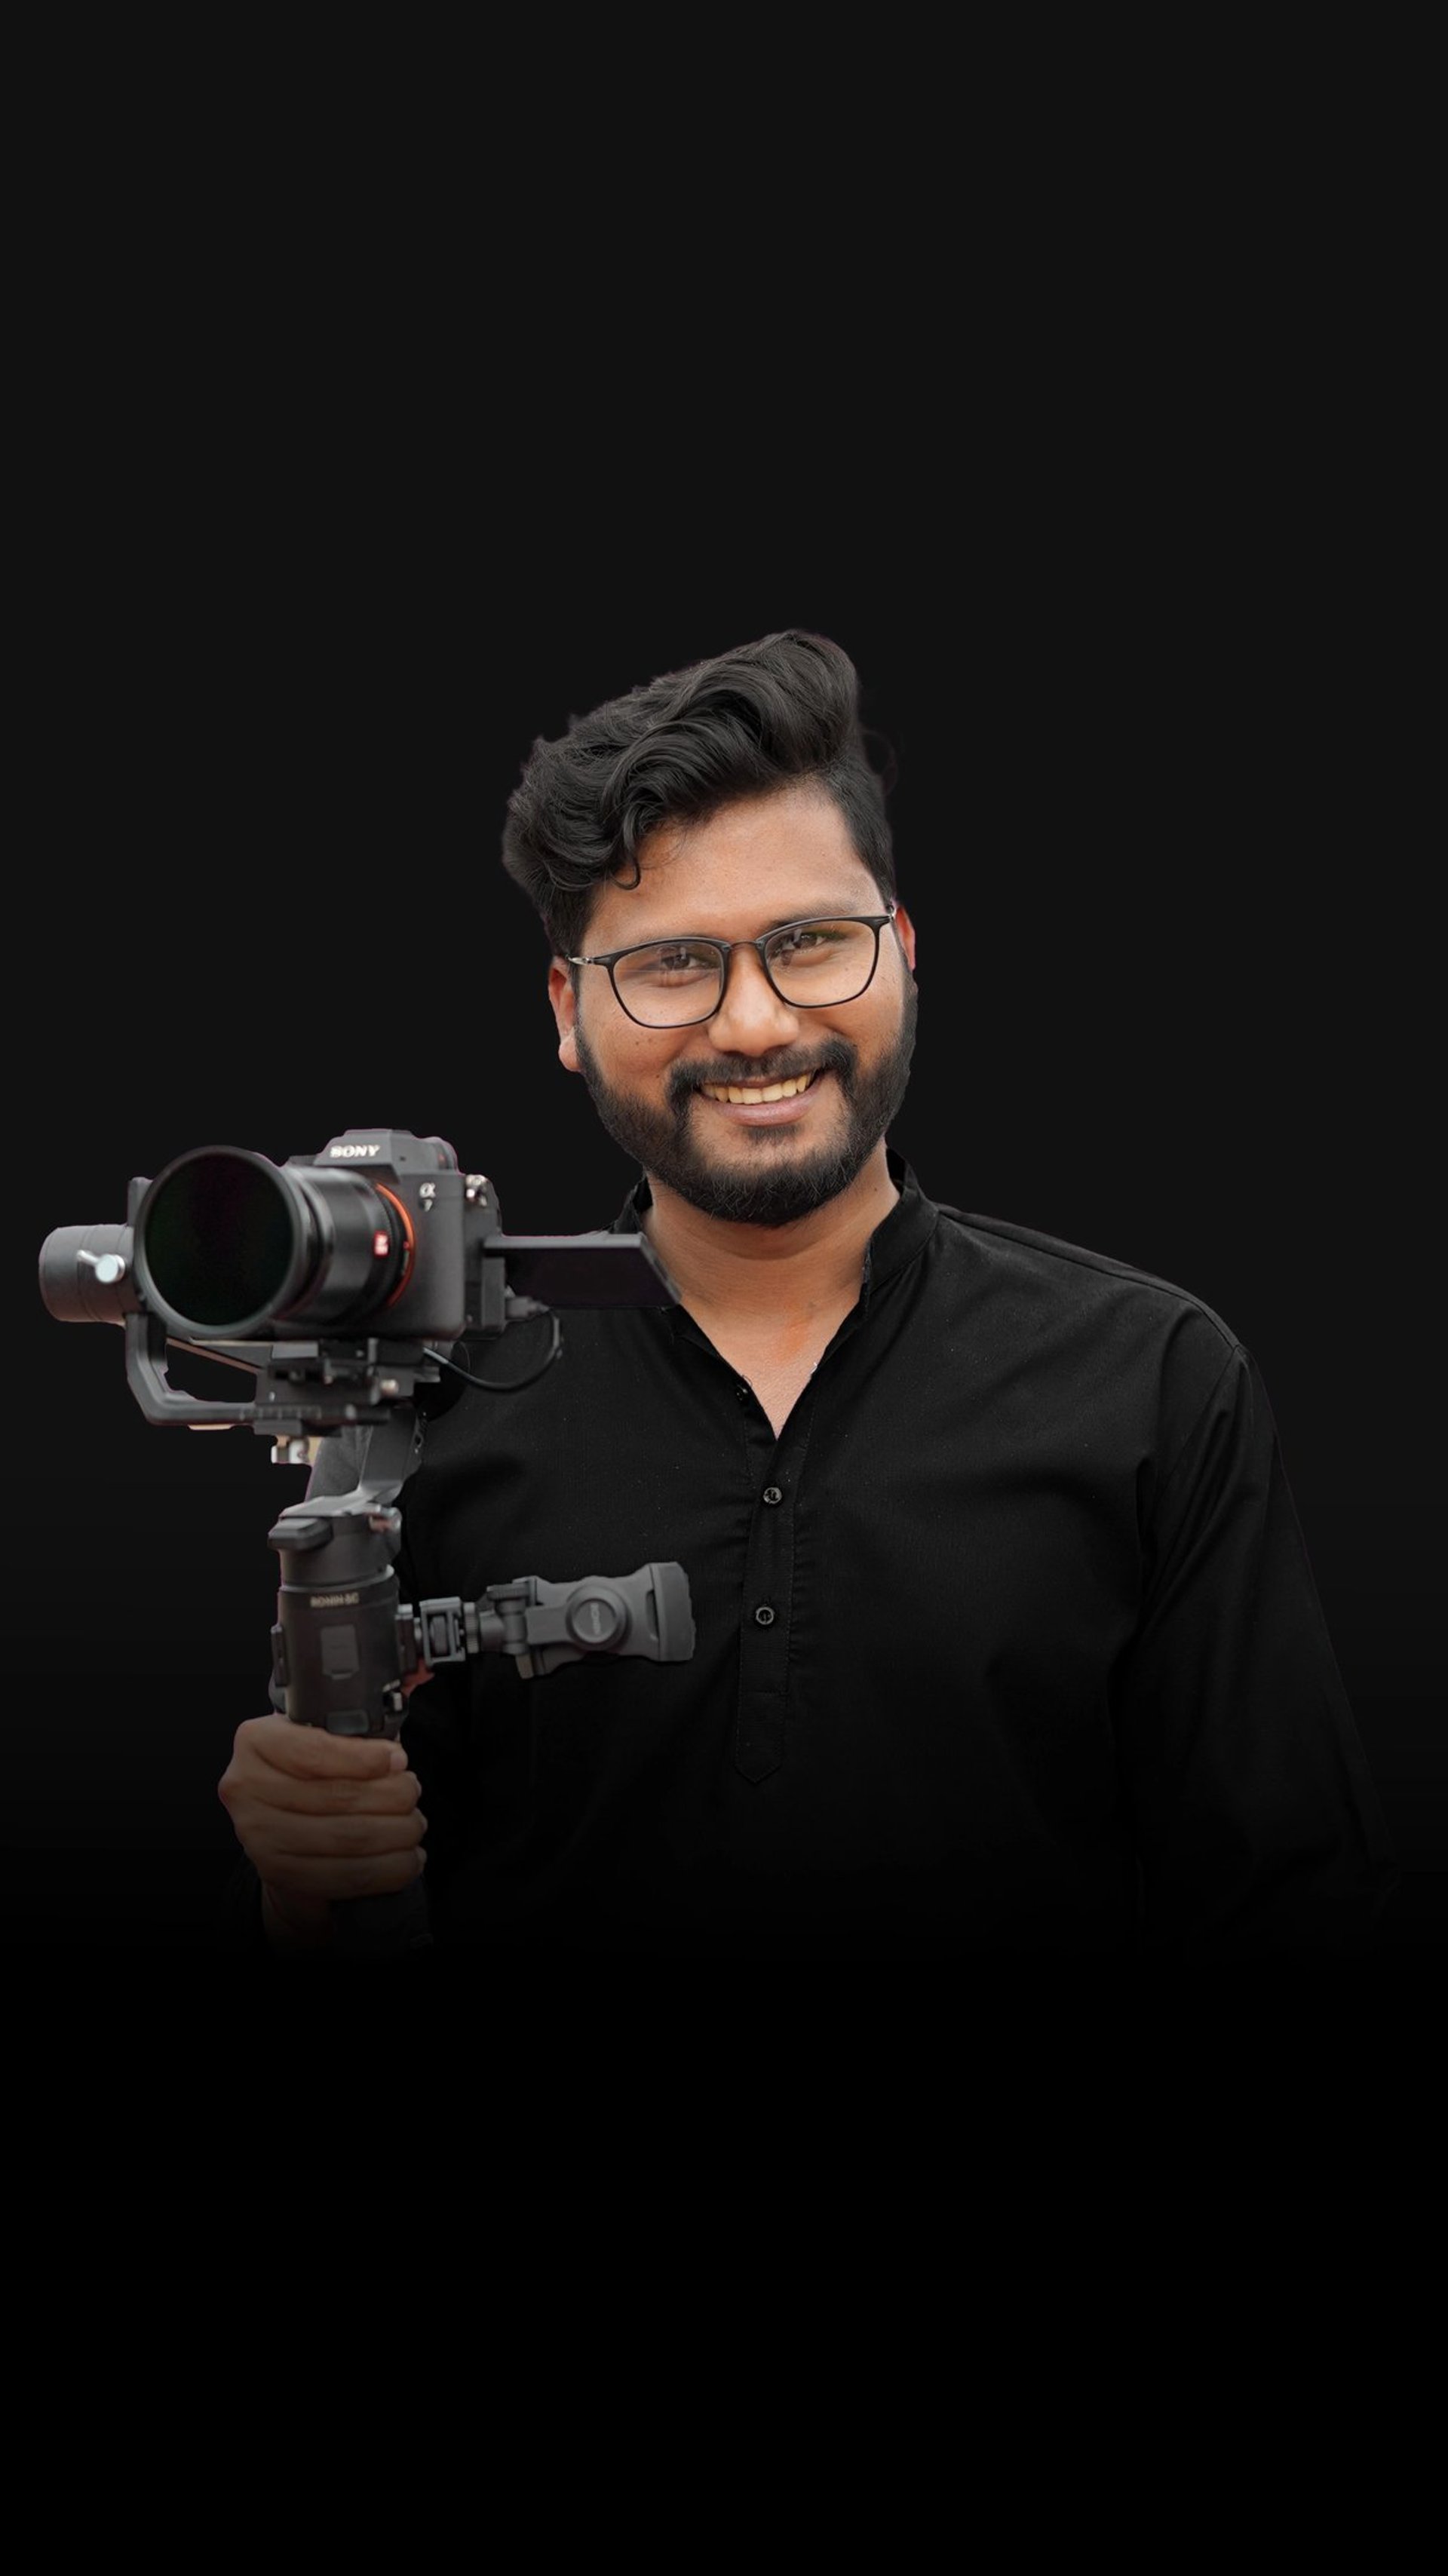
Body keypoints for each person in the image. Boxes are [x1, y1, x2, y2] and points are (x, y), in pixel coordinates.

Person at [219, 628, 1400, 1972]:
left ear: (902, 947)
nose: (757, 1023)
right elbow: (358, 1903)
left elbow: (1296, 1909)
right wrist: (306, 1874)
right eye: (672, 965)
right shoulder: (422, 1395)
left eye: (811, 942)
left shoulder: (1156, 1382)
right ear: (565, 1007)